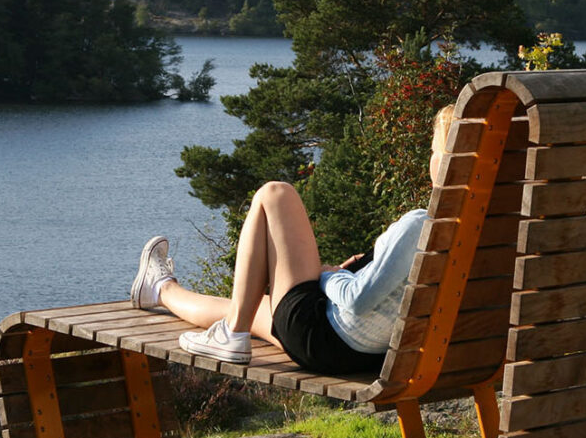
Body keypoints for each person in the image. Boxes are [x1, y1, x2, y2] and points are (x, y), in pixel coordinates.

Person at [129, 105, 456, 375]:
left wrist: (330, 276)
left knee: (275, 194)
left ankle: (230, 332)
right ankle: (161, 289)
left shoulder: (422, 223)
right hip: (369, 353)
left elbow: (358, 300)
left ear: (441, 161)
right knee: (247, 308)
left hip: (327, 336)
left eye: (432, 150)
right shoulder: (472, 231)